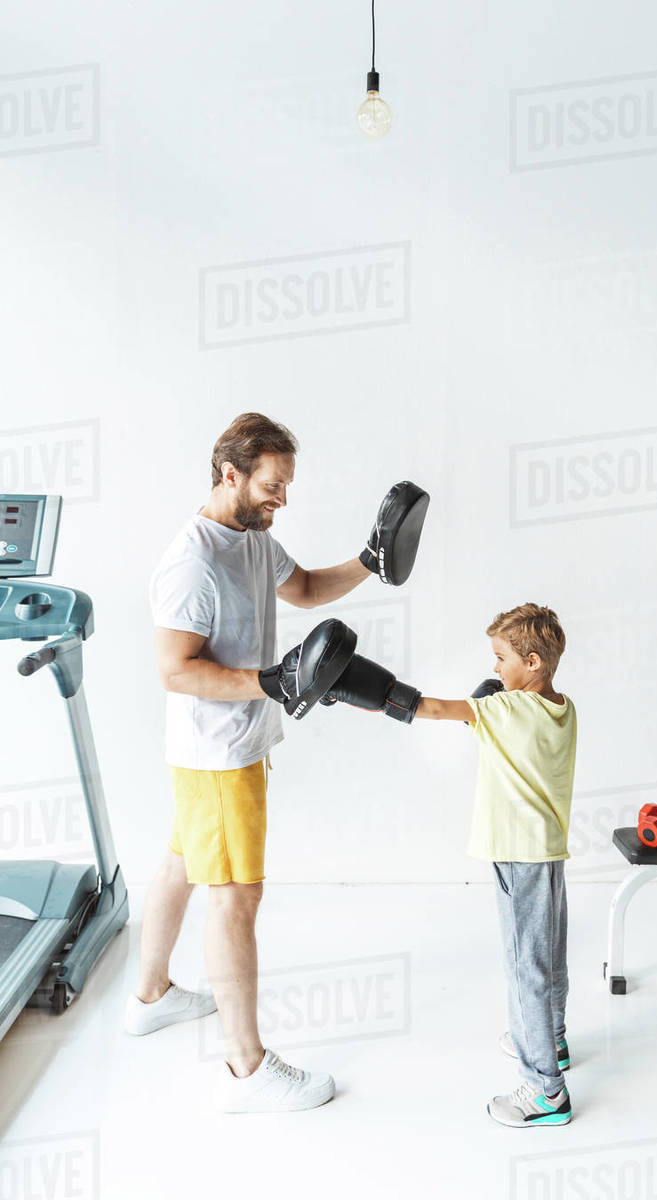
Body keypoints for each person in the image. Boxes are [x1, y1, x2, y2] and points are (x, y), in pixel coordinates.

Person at [123, 411, 428, 1114]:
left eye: (286, 485)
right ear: (229, 473)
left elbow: (308, 589)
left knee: (181, 861)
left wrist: (369, 561)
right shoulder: (191, 560)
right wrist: (270, 684)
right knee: (236, 896)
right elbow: (175, 670)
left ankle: (150, 996)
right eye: (271, 484)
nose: (282, 498)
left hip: (231, 744)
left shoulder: (254, 538)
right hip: (217, 753)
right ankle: (246, 1067)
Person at [293, 602, 577, 1126]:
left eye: (501, 659)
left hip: (517, 855)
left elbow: (428, 709)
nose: (495, 669)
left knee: (526, 967)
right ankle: (551, 1043)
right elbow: (492, 720)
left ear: (532, 662)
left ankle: (545, 1092)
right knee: (549, 957)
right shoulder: (562, 708)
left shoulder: (506, 711)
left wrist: (351, 684)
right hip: (548, 851)